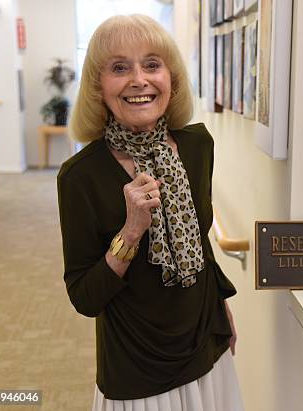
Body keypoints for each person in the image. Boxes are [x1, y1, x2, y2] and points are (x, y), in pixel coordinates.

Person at [57, 15, 243, 410]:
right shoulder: (81, 176)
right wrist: (131, 232)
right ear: (97, 87)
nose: (139, 80)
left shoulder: (196, 147)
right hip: (137, 364)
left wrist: (220, 307)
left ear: (170, 78)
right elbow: (85, 298)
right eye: (119, 67)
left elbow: (201, 240)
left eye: (152, 64)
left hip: (204, 343)